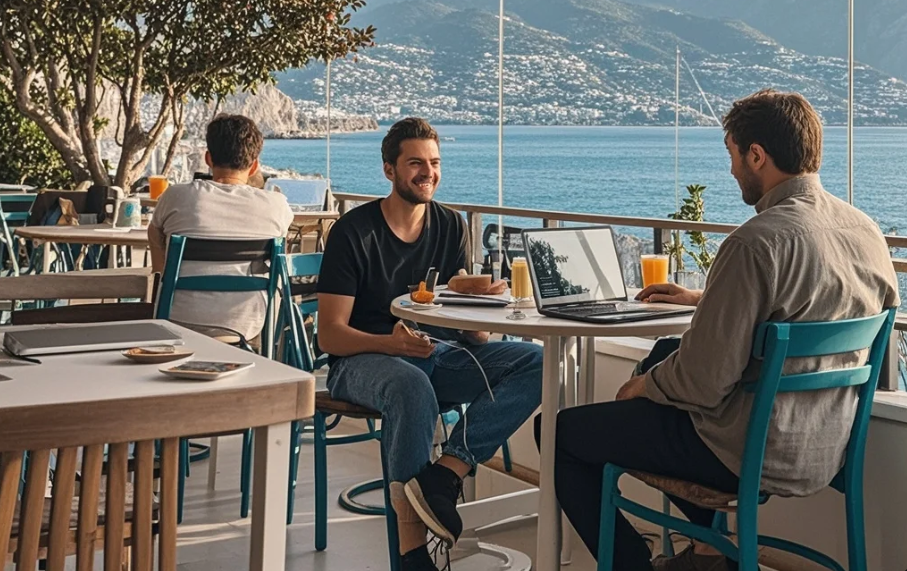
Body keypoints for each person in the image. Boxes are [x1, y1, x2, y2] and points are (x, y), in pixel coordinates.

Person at [549, 90, 899, 571]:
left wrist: (642, 386)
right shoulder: (866, 231)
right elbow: (845, 335)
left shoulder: (755, 243)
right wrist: (707, 301)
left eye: (733, 155)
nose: (732, 170)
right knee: (667, 348)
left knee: (562, 431)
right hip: (829, 445)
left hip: (749, 454)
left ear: (757, 155)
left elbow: (704, 382)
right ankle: (711, 551)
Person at [317, 117, 543, 571]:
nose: (428, 172)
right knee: (411, 386)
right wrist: (391, 344)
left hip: (437, 353)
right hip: (363, 360)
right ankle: (411, 555)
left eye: (435, 163)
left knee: (537, 361)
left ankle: (445, 474)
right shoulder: (353, 233)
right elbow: (330, 334)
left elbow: (471, 335)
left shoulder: (451, 226)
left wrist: (477, 307)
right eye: (415, 162)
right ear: (389, 170)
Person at [148, 114, 293, 343]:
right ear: (254, 165)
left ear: (208, 158)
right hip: (248, 324)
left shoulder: (176, 196)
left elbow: (154, 232)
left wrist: (161, 272)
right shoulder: (276, 205)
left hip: (178, 320)